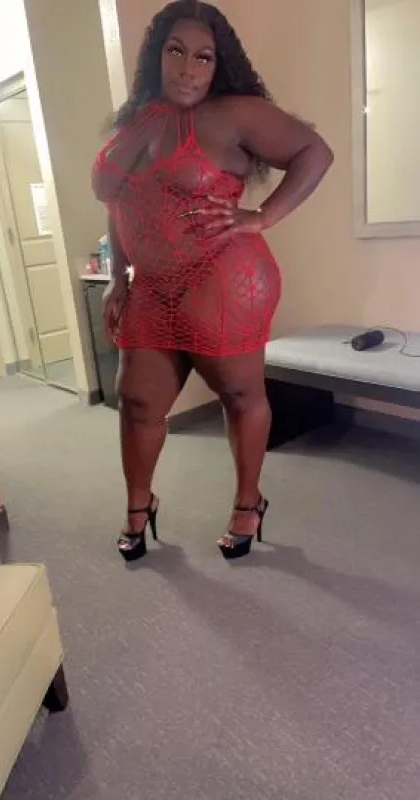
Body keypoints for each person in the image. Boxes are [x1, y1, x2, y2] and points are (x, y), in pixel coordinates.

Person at [92, 0, 333, 563]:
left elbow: (314, 152)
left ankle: (249, 502)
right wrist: (118, 275)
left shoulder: (236, 112)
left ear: (217, 65)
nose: (188, 68)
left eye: (203, 57)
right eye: (177, 51)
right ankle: (139, 504)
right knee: (137, 401)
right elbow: (117, 201)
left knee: (241, 394)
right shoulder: (133, 123)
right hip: (150, 285)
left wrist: (263, 216)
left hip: (223, 276)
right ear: (157, 55)